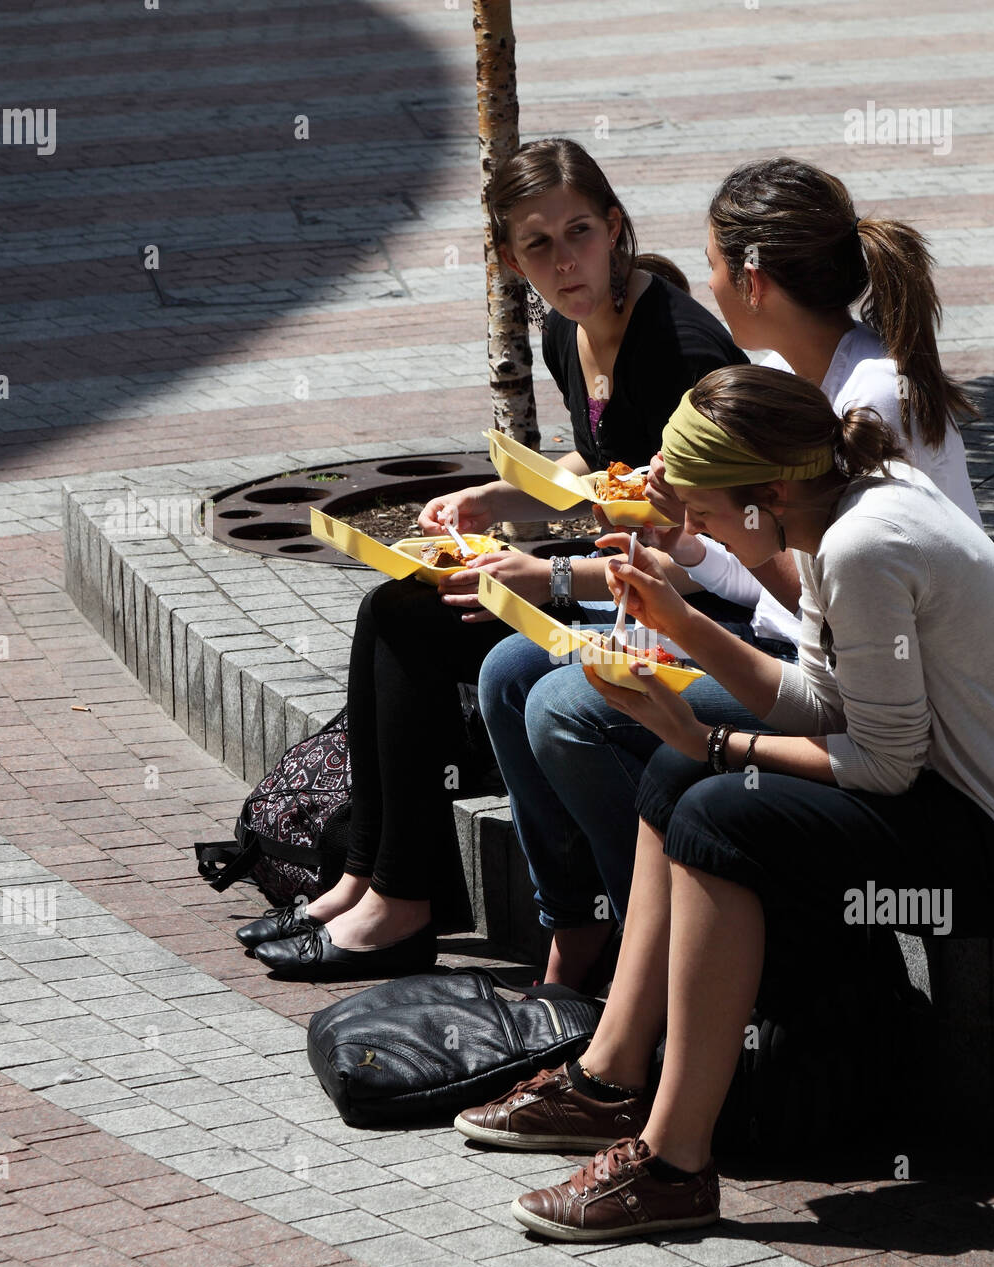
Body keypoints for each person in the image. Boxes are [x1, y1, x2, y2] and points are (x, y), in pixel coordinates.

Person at [455, 366, 994, 1242]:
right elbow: (825, 704)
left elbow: (882, 762)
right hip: (973, 800)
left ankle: (673, 1166)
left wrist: (705, 739)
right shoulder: (842, 505)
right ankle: (611, 1081)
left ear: (769, 493)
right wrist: (680, 627)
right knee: (673, 783)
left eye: (701, 512)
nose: (687, 527)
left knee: (711, 807)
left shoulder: (862, 546)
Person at [238, 138, 746, 980]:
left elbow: (703, 547)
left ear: (614, 227)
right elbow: (605, 464)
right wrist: (501, 499)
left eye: (578, 233)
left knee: (415, 625)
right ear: (508, 257)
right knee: (392, 605)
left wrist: (539, 574)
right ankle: (368, 872)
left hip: (689, 608)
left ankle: (403, 902)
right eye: (536, 245)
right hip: (628, 584)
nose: (562, 259)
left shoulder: (680, 354)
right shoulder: (568, 330)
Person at [477, 156, 980, 987]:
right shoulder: (781, 378)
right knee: (511, 668)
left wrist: (673, 585)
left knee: (572, 704)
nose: (700, 285)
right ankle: (599, 939)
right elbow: (777, 579)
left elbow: (828, 608)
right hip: (807, 648)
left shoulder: (867, 400)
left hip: (868, 688)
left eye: (710, 264)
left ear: (750, 280)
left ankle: (653, 960)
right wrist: (681, 542)